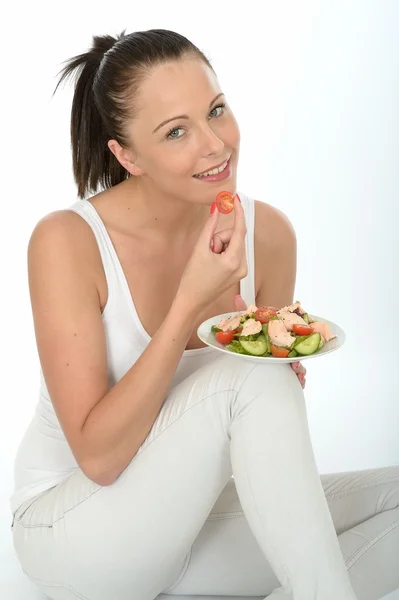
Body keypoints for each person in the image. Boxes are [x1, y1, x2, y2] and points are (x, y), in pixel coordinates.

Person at [10, 28, 399, 600]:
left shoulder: (268, 235)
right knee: (252, 374)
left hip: (190, 523)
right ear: (126, 155)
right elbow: (98, 458)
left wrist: (283, 374)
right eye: (176, 132)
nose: (215, 145)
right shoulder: (67, 241)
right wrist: (190, 304)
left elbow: (256, 444)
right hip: (73, 531)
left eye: (216, 110)